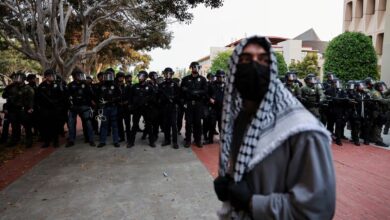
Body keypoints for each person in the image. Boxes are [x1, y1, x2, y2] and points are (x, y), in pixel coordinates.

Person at [213, 36, 335, 220]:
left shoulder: (304, 132)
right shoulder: (239, 119)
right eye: (245, 60)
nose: (254, 66)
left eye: (263, 60)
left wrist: (252, 202)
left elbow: (317, 209)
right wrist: (230, 184)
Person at [2, 72, 34, 148]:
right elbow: (4, 96)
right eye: (16, 77)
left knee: (27, 125)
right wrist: (8, 88)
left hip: (23, 109)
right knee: (15, 125)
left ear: (23, 79)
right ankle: (15, 139)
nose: (17, 79)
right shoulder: (12, 87)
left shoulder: (28, 88)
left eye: (19, 78)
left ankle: (29, 140)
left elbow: (31, 99)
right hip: (13, 110)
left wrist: (30, 108)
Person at [180, 61, 208, 148]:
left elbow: (205, 91)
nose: (194, 68)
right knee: (188, 123)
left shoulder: (203, 79)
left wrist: (196, 92)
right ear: (191, 68)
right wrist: (183, 102)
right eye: (193, 67)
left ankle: (198, 140)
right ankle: (188, 140)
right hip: (188, 104)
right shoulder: (185, 79)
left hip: (198, 104)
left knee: (198, 123)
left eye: (196, 67)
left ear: (199, 68)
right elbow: (181, 92)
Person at [66, 69, 96, 147]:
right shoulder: (70, 85)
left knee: (88, 123)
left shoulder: (86, 85)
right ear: (74, 76)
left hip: (84, 106)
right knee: (71, 124)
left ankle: (91, 139)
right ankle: (71, 140)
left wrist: (90, 103)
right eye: (78, 75)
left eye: (80, 75)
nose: (80, 76)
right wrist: (70, 105)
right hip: (74, 107)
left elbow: (90, 95)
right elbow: (67, 97)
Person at [36, 69, 65, 148]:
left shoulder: (58, 84)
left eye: (53, 75)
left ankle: (56, 141)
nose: (52, 77)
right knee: (46, 126)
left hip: (55, 109)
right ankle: (47, 142)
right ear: (47, 77)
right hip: (45, 109)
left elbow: (63, 96)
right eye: (50, 76)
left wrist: (58, 104)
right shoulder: (42, 86)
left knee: (55, 126)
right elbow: (37, 98)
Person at [128, 71, 156, 148]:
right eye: (139, 76)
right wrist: (131, 105)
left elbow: (153, 97)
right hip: (137, 109)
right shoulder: (134, 86)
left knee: (149, 125)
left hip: (146, 109)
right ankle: (131, 142)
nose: (140, 78)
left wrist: (148, 102)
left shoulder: (149, 87)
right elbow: (130, 97)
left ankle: (151, 142)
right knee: (134, 126)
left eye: (142, 76)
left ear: (145, 77)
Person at [95, 68, 121, 148]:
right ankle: (102, 141)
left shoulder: (115, 86)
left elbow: (120, 96)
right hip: (105, 108)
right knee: (104, 124)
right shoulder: (101, 86)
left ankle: (116, 141)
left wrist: (113, 99)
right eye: (107, 76)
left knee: (114, 125)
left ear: (113, 76)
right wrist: (100, 103)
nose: (108, 77)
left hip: (113, 107)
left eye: (110, 76)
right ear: (104, 76)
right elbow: (97, 96)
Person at [159, 67, 180, 149]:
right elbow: (159, 96)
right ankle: (167, 140)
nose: (167, 75)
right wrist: (163, 99)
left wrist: (173, 98)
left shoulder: (175, 84)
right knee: (166, 125)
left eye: (169, 74)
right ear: (164, 74)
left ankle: (175, 142)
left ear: (171, 74)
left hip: (173, 107)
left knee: (174, 125)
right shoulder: (161, 85)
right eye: (166, 73)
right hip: (165, 107)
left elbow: (179, 95)